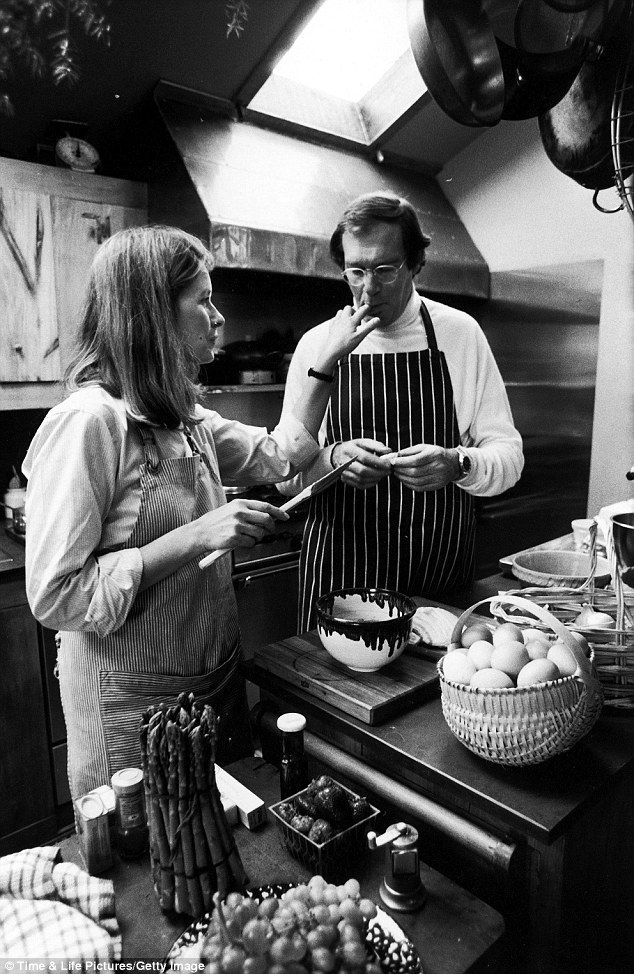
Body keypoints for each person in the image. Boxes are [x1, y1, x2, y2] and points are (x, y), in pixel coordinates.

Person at [22, 225, 379, 801]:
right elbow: (57, 595)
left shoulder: (184, 418)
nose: (219, 319)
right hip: (132, 708)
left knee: (219, 860)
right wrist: (198, 534)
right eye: (203, 301)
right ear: (154, 315)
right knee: (152, 867)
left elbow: (283, 454)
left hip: (213, 683)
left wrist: (323, 362)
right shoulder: (91, 423)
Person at [278, 192, 524, 631]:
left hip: (437, 582)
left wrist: (457, 463)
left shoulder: (460, 334)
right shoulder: (318, 346)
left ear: (414, 265)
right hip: (340, 582)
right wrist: (331, 461)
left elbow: (509, 456)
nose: (368, 288)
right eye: (356, 271)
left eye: (385, 270)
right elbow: (283, 476)